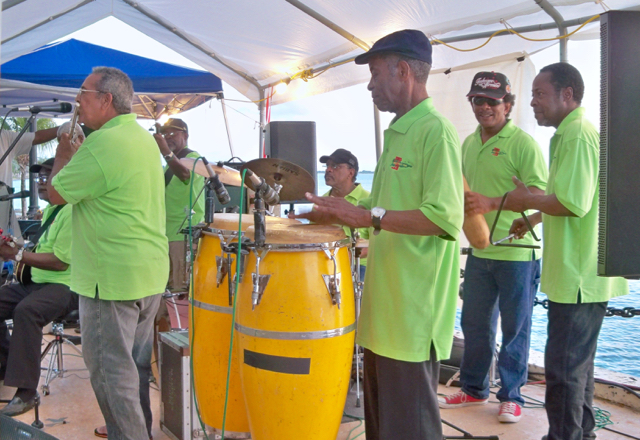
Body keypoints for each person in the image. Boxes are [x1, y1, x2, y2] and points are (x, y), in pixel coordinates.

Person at [291, 29, 463, 440]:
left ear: (403, 71)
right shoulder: (400, 133)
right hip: (383, 316)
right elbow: (375, 217)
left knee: (410, 431)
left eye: (375, 74)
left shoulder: (435, 131)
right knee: (383, 430)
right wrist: (323, 217)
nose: (369, 85)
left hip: (412, 319)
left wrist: (368, 214)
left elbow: (444, 219)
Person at [505, 62, 628, 440]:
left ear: (567, 95)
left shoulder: (576, 135)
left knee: (562, 369)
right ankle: (582, 433)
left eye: (540, 94)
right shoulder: (569, 135)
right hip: (577, 274)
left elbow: (573, 202)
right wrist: (534, 217)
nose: (533, 102)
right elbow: (573, 197)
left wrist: (526, 199)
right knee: (578, 368)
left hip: (578, 275)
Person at [47, 66, 169, 440]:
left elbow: (56, 193)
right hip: (147, 274)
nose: (77, 101)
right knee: (134, 368)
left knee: (110, 373)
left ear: (106, 100)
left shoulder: (102, 144)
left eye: (83, 93)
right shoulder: (140, 137)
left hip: (111, 279)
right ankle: (136, 430)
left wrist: (64, 153)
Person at [438, 72, 548, 423]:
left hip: (516, 253)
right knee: (475, 324)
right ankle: (473, 389)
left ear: (508, 105)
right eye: (478, 100)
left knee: (515, 328)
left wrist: (490, 203)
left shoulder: (524, 143)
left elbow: (540, 197)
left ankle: (512, 395)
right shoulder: (468, 143)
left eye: (492, 101)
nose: (484, 107)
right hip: (480, 251)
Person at [0, 156, 75, 417]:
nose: (42, 183)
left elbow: (59, 263)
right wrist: (16, 246)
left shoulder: (72, 213)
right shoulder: (52, 211)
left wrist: (14, 255)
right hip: (38, 282)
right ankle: (6, 365)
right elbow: (41, 251)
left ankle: (26, 392)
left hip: (65, 287)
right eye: (40, 178)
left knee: (27, 311)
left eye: (48, 176)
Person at [153, 118, 205, 291]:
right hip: (164, 235)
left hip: (183, 235)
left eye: (173, 133)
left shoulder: (194, 158)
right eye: (165, 133)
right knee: (163, 292)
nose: (168, 137)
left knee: (179, 292)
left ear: (186, 135)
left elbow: (184, 174)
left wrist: (166, 152)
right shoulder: (167, 166)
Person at [0, 123, 58, 238]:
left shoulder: (3, 137)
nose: (41, 182)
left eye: (45, 178)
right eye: (40, 178)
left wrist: (66, 127)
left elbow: (37, 137)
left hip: (5, 231)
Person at [319, 148, 370, 280]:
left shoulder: (369, 200)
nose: (328, 170)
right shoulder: (321, 203)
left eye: (335, 166)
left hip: (359, 266)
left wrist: (349, 255)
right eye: (327, 166)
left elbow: (381, 244)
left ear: (350, 173)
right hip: (327, 265)